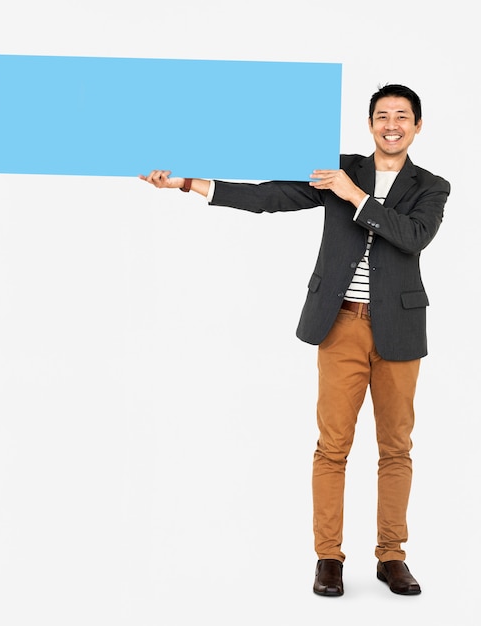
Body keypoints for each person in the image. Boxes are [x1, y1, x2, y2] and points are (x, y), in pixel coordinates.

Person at [140, 84, 450, 597]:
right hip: (340, 325)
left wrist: (354, 196)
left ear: (417, 126)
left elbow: (414, 236)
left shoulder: (432, 185)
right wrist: (187, 183)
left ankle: (392, 556)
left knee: (396, 448)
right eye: (381, 116)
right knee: (333, 446)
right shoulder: (340, 165)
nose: (391, 124)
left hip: (399, 330)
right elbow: (271, 196)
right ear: (370, 123)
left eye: (401, 116)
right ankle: (328, 557)